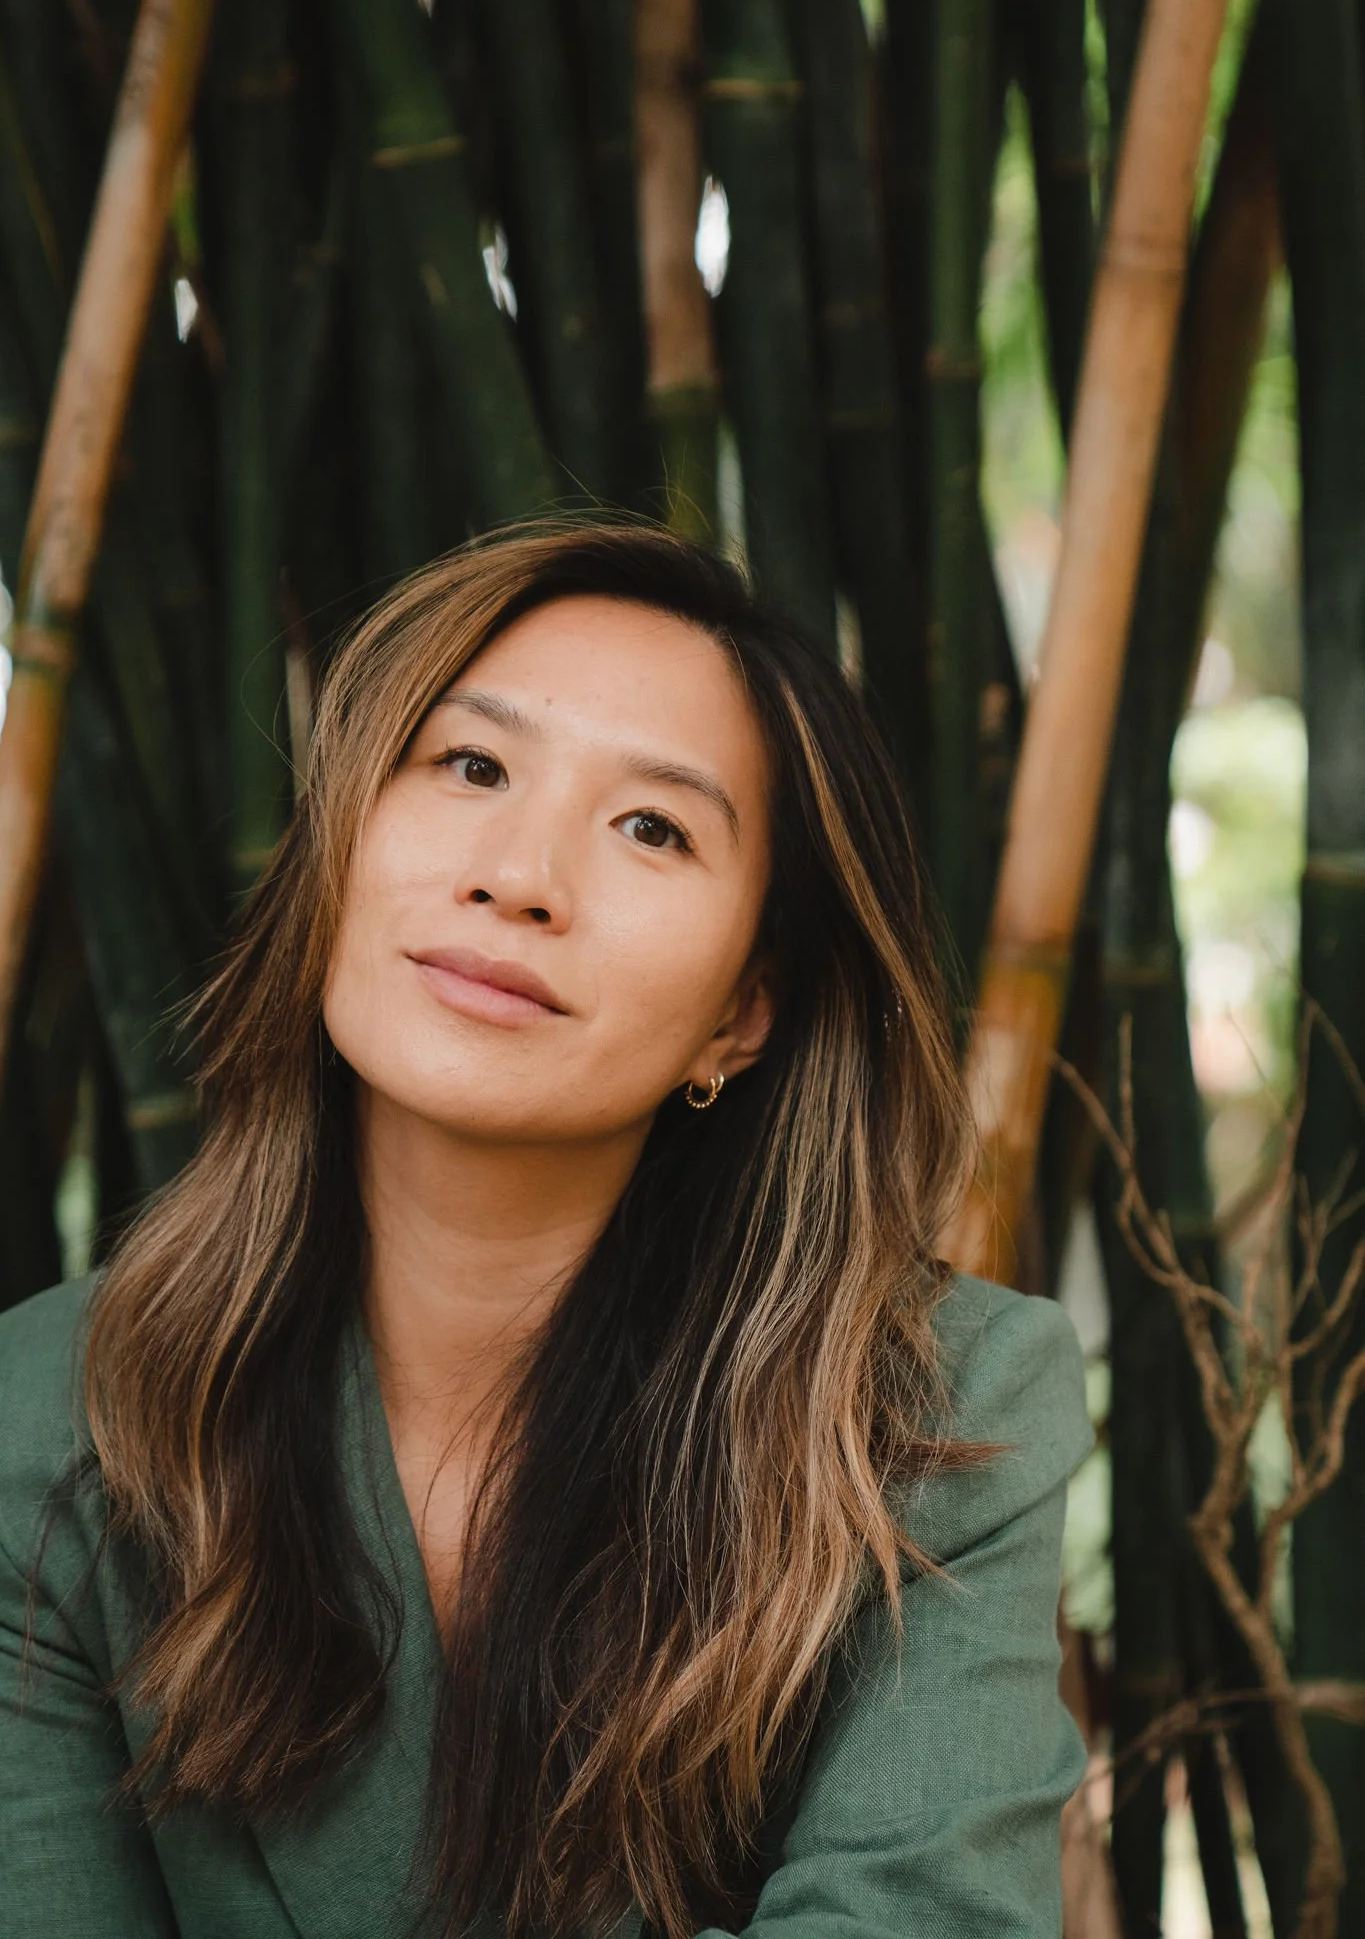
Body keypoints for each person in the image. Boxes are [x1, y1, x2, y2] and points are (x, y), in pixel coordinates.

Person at [0, 523, 1091, 1938]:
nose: (521, 874)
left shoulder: (936, 1417)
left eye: (655, 827)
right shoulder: (53, 1416)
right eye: (472, 766)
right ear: (341, 837)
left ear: (740, 1011)